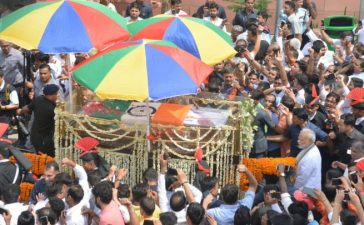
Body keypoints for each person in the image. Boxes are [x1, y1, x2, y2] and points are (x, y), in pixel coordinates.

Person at [17, 84, 59, 157]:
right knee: (46, 158)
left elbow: (26, 108)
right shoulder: (52, 109)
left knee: (39, 154)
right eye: (57, 93)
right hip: (44, 140)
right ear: (52, 95)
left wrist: (20, 111)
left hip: (34, 136)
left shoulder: (38, 99)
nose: (58, 95)